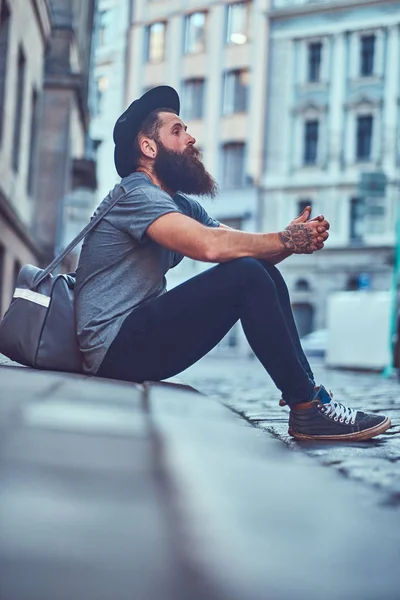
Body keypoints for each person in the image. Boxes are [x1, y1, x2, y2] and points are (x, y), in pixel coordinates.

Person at [75, 86, 391, 442]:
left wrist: (288, 240)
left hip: (135, 340)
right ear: (149, 148)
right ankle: (307, 408)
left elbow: (242, 246)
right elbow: (210, 246)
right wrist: (286, 240)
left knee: (260, 271)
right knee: (246, 275)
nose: (191, 138)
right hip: (111, 349)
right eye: (177, 131)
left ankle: (308, 401)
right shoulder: (137, 194)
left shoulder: (176, 203)